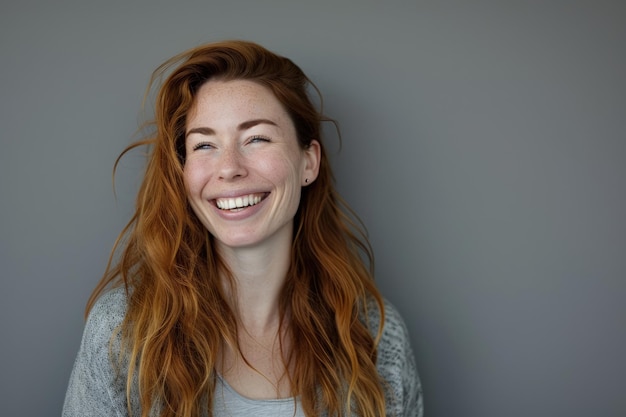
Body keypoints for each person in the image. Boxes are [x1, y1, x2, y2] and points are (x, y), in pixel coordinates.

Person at [62, 40, 423, 417]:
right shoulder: (123, 331)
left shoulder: (376, 339)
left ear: (308, 162)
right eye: (204, 145)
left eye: (256, 138)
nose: (229, 167)